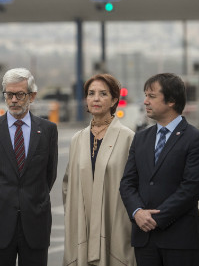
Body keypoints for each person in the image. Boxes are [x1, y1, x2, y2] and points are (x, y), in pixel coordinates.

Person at [119, 73, 199, 266]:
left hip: (179, 239)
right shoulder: (141, 138)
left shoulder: (196, 139)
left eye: (151, 96)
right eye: (145, 96)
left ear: (171, 100)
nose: (145, 102)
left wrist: (154, 218)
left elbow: (191, 189)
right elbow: (127, 182)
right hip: (144, 240)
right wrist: (137, 212)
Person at [0, 68, 58, 266]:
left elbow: (49, 175)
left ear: (32, 96)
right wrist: (2, 199)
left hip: (35, 222)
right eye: (9, 94)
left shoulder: (47, 130)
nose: (13, 100)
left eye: (20, 94)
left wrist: (31, 199)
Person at [63, 73, 135, 266]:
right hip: (81, 223)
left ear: (114, 100)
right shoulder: (77, 139)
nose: (96, 98)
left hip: (116, 224)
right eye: (91, 93)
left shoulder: (128, 137)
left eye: (103, 94)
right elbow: (67, 185)